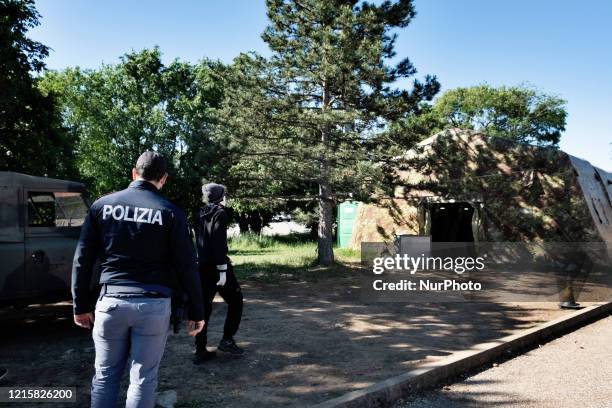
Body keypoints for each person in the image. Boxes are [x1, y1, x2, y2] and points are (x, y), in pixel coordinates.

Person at [71, 151, 205, 408]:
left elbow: (82, 260)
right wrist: (197, 311)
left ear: (134, 173)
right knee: (143, 379)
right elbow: (188, 266)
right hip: (153, 306)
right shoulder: (171, 212)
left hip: (110, 302)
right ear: (163, 179)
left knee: (105, 376)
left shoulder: (102, 206)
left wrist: (80, 305)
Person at [193, 183, 244, 363]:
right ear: (219, 196)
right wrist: (222, 270)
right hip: (218, 267)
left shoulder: (199, 212)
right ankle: (227, 340)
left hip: (202, 267)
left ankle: (200, 350)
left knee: (204, 308)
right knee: (236, 301)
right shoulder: (220, 213)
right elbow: (218, 243)